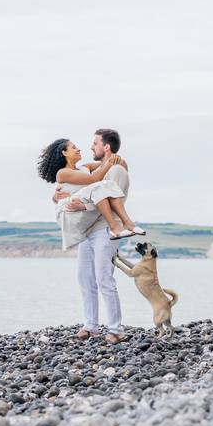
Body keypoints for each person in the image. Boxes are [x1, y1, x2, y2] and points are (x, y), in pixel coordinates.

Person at [37, 128, 134, 344]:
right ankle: (90, 326)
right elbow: (91, 180)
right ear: (64, 153)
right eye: (73, 147)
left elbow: (102, 175)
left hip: (103, 229)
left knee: (104, 278)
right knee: (85, 279)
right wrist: (56, 197)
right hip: (85, 230)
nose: (82, 147)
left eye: (94, 144)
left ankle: (116, 329)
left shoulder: (87, 167)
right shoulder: (65, 173)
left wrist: (115, 160)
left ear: (106, 146)